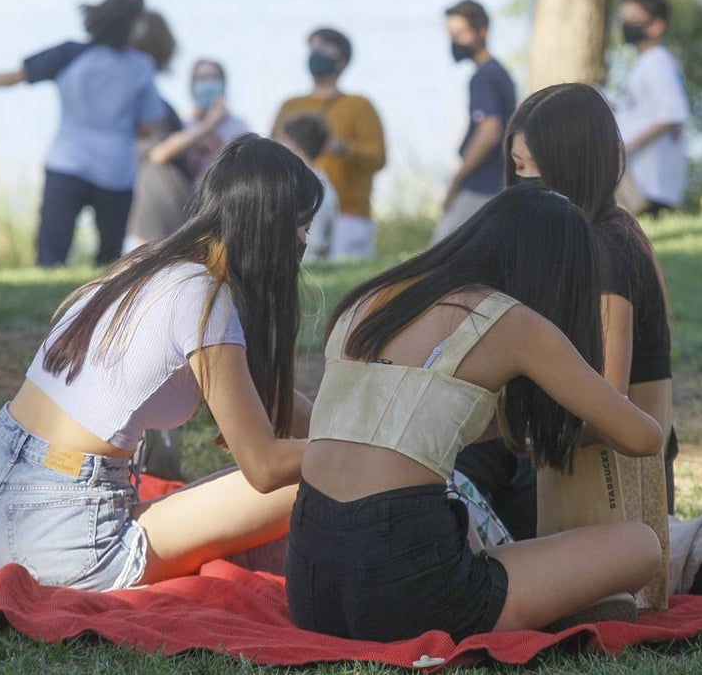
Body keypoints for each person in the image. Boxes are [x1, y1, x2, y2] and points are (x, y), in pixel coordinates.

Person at [0, 134, 325, 590]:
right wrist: (355, 452)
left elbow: (271, 399)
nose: (303, 245)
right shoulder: (205, 301)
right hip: (54, 533)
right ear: (272, 233)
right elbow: (265, 466)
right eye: (303, 232)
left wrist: (342, 432)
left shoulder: (147, 265)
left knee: (317, 461)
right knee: (308, 483)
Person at [285, 186, 664, 642]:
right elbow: (644, 437)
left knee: (460, 520)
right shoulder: (512, 322)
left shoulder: (369, 299)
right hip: (408, 590)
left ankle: (544, 596)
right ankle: (549, 603)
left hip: (309, 584)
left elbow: (411, 423)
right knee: (642, 546)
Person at [455, 83, 677, 544]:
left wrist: (505, 426)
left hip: (603, 478)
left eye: (534, 170)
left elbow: (607, 412)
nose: (522, 187)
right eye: (517, 169)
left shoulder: (603, 252)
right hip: (557, 457)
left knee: (451, 473)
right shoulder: (603, 229)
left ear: (571, 167)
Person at [0, 0, 168, 266]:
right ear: (137, 23)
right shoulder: (142, 67)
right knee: (108, 259)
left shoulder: (69, 55)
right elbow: (148, 129)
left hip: (66, 163)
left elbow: (12, 78)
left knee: (51, 254)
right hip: (115, 171)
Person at [272, 28, 385, 259]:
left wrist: (343, 148)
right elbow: (271, 151)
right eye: (312, 48)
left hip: (349, 213)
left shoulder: (359, 105)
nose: (316, 54)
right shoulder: (290, 105)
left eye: (324, 49)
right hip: (297, 212)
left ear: (341, 61)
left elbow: (378, 157)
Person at [125, 51, 249, 253]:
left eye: (213, 77)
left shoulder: (238, 126)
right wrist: (208, 126)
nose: (207, 83)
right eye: (201, 78)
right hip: (183, 207)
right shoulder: (184, 124)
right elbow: (160, 154)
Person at [430, 0, 517, 244]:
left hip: (481, 184)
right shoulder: (499, 73)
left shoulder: (484, 77)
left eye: (460, 34)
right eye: (451, 34)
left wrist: (458, 179)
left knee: (438, 253)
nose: (454, 41)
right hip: (497, 183)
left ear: (482, 31)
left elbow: (489, 131)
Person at [613, 0, 690, 216]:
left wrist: (622, 149)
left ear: (656, 25)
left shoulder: (657, 62)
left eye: (634, 19)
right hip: (644, 179)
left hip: (648, 181)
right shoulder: (647, 63)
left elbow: (671, 114)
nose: (626, 25)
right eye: (623, 19)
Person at [278, 114, 340, 263]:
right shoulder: (324, 182)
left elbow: (313, 242)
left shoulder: (303, 185)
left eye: (283, 141)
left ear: (294, 145)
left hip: (305, 262)